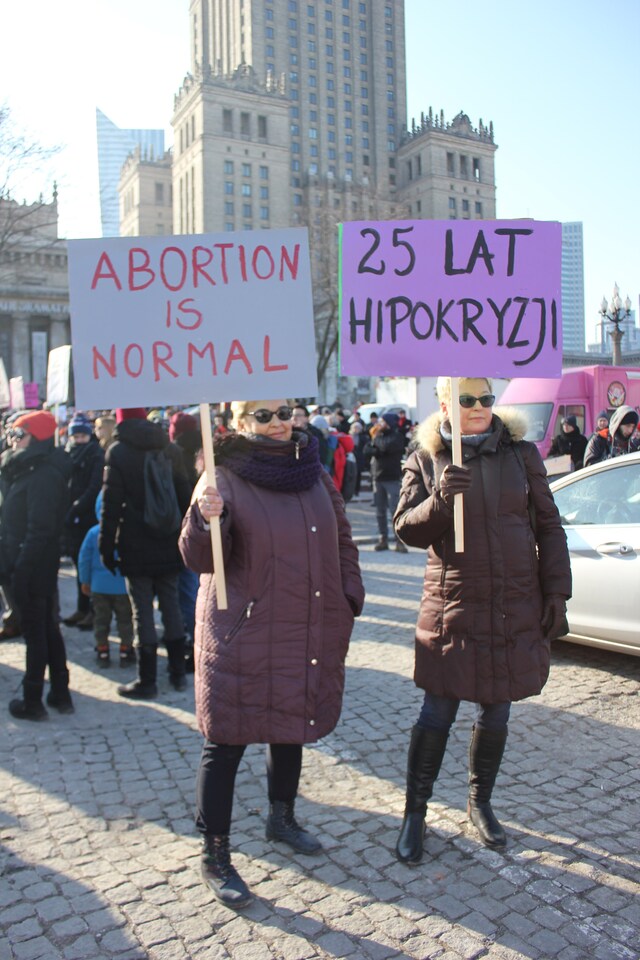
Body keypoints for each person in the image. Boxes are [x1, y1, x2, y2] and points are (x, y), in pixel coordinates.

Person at [179, 398, 364, 909]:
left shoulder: (312, 471)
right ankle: (215, 853)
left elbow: (342, 538)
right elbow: (197, 558)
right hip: (244, 632)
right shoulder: (221, 477)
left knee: (290, 725)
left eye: (284, 411)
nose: (278, 422)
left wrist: (349, 593)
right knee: (226, 741)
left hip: (304, 626)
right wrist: (205, 519)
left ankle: (281, 818)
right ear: (241, 423)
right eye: (263, 415)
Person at [392, 377, 571, 863]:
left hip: (512, 603)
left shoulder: (521, 454)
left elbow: (549, 524)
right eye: (466, 399)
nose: (478, 407)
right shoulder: (427, 456)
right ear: (445, 402)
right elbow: (406, 528)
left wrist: (557, 590)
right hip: (453, 605)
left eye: (486, 399)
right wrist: (440, 500)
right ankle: (415, 812)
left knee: (496, 709)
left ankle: (480, 802)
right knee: (437, 711)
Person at [99, 408, 192, 699]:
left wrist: (106, 546)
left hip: (134, 542)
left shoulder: (118, 452)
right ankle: (178, 674)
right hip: (169, 539)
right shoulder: (171, 448)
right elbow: (185, 498)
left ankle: (147, 681)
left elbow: (111, 505)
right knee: (171, 606)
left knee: (142, 611)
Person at [0, 410, 74, 720]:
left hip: (32, 565)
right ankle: (60, 692)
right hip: (29, 561)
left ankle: (33, 701)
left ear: (36, 438)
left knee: (36, 632)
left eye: (19, 435)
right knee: (46, 628)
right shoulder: (28, 468)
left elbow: (39, 529)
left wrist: (21, 570)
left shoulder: (44, 474)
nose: (12, 441)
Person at [78, 491, 135, 667]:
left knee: (101, 620)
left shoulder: (93, 533)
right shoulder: (127, 531)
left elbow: (84, 559)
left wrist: (85, 580)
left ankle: (102, 650)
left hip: (99, 588)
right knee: (125, 621)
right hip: (123, 588)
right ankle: (126, 650)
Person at [62, 412, 105, 631]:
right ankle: (82, 607)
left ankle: (94, 611)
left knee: (90, 565)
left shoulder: (96, 453)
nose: (79, 440)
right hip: (71, 517)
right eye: (75, 436)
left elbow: (94, 485)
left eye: (82, 436)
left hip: (87, 515)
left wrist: (77, 506)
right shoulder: (67, 453)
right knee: (79, 564)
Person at [364, 413, 408, 552]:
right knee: (380, 512)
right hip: (377, 478)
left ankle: (399, 541)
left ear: (388, 423)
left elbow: (385, 447)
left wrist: (376, 441)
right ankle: (383, 539)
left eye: (382, 421)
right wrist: (376, 449)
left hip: (392, 478)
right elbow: (367, 450)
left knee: (395, 510)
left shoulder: (397, 436)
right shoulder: (379, 435)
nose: (379, 424)